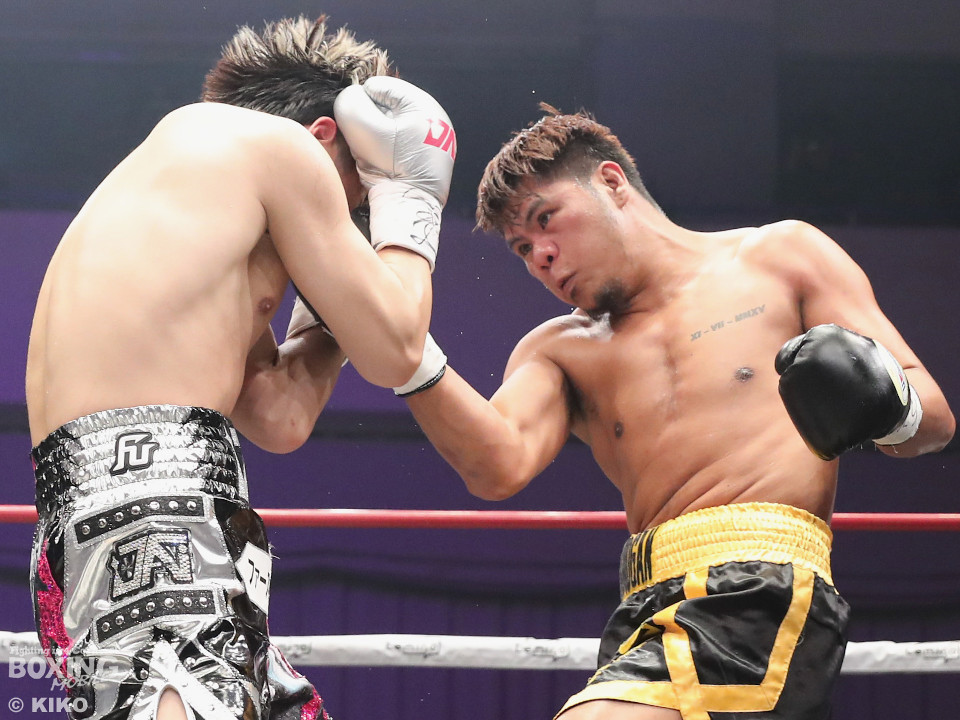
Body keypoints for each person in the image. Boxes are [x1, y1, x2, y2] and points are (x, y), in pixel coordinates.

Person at [402, 107, 955, 720]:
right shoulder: (558, 349)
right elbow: (496, 466)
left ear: (611, 182)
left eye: (546, 219)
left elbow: (933, 419)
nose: (541, 257)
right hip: (642, 607)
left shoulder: (779, 257)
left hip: (756, 588)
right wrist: (409, 357)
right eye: (522, 248)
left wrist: (882, 402)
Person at [25, 14, 454, 720]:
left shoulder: (185, 190)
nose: (351, 213)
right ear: (324, 135)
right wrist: (409, 204)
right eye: (359, 187)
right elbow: (398, 349)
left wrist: (339, 300)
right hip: (156, 520)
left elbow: (280, 416)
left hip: (117, 514)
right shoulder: (282, 149)